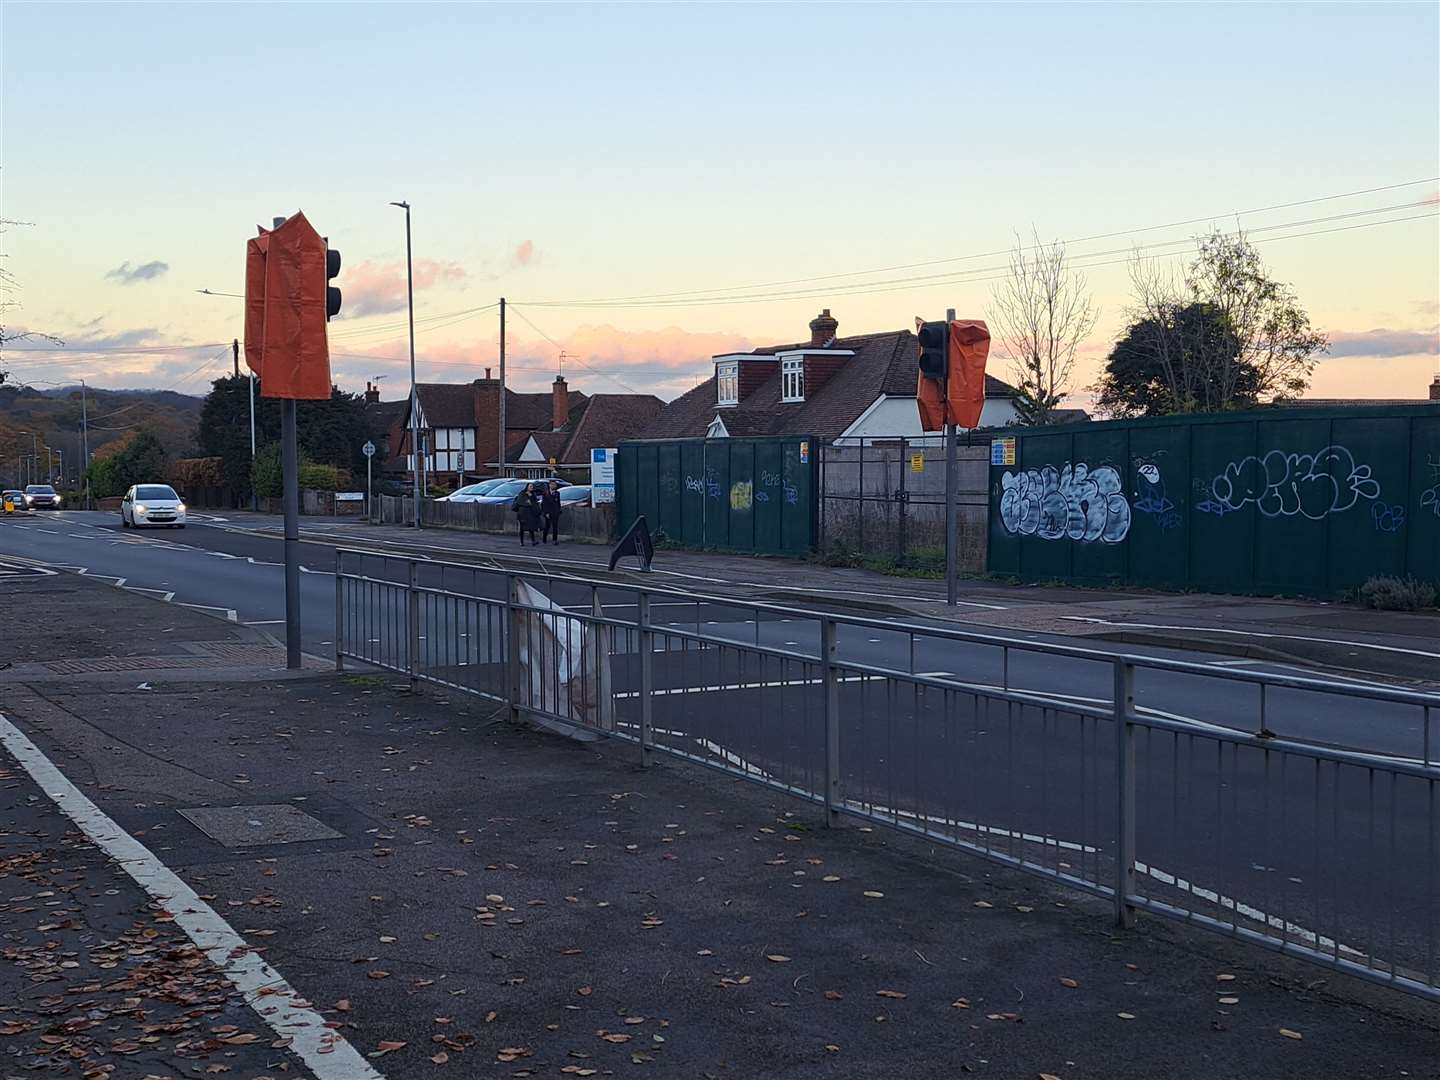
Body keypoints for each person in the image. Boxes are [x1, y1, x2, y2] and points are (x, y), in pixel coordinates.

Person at [540, 480, 562, 545]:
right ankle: (544, 539)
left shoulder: (557, 493)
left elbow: (558, 502)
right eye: (552, 484)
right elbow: (544, 504)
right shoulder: (545, 493)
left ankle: (554, 540)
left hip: (555, 512)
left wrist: (559, 510)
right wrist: (546, 512)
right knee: (547, 526)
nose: (553, 486)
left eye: (554, 484)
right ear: (549, 485)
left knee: (555, 526)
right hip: (548, 512)